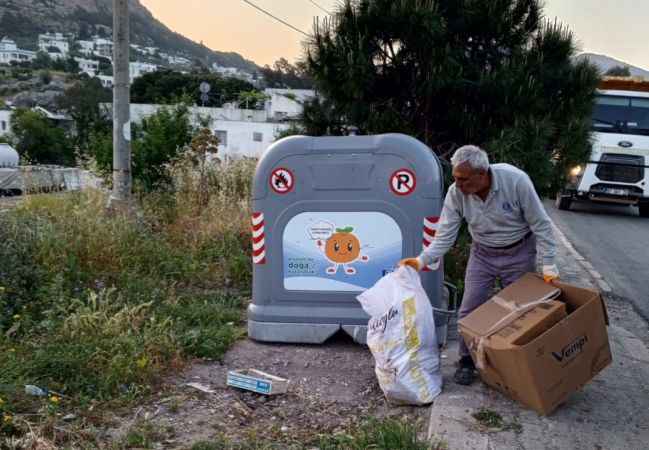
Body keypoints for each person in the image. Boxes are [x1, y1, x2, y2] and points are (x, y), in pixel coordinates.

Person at [399, 145, 559, 385]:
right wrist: (422, 260)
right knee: (469, 309)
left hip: (519, 252)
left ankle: (512, 363)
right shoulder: (457, 193)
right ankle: (466, 361)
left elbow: (541, 225)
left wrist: (548, 264)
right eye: (455, 177)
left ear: (482, 174)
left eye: (462, 179)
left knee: (519, 312)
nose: (457, 184)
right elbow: (444, 235)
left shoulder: (516, 181)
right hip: (482, 254)